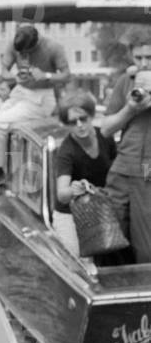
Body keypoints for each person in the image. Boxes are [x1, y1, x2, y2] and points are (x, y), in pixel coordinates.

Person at [0, 23, 70, 189]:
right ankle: (3, 169)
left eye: (26, 53)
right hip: (20, 92)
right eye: (20, 53)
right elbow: (4, 71)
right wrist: (14, 78)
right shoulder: (15, 43)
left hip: (41, 97)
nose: (23, 55)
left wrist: (45, 75)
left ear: (35, 44)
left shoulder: (53, 47)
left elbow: (66, 75)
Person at [99, 34, 151, 263]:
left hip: (148, 168)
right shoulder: (125, 81)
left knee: (146, 245)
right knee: (108, 237)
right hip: (122, 164)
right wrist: (130, 108)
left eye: (149, 57)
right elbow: (106, 130)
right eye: (138, 57)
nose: (144, 63)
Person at [51, 91, 115, 257]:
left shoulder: (105, 136)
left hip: (100, 209)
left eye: (83, 119)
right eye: (73, 122)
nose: (79, 125)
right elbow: (62, 194)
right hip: (69, 214)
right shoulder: (67, 151)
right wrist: (74, 190)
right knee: (79, 263)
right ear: (67, 124)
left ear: (91, 116)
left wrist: (146, 175)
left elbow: (119, 168)